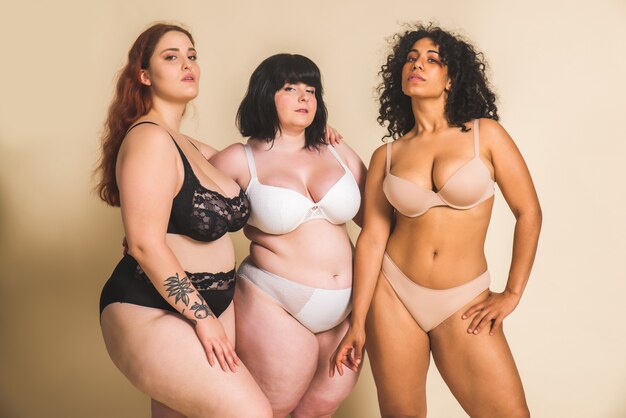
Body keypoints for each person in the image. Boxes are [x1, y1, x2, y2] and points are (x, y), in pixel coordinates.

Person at [330, 24, 541, 417]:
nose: (418, 65)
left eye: (432, 60)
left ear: (451, 78)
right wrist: (357, 322)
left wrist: (512, 293)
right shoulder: (387, 156)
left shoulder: (486, 136)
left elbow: (529, 212)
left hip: (464, 297)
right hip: (393, 294)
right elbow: (373, 239)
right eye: (411, 59)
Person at [96, 23, 272, 418]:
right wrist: (202, 317)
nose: (187, 64)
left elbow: (264, 160)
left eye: (191, 55)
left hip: (214, 302)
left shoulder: (190, 145)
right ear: (144, 75)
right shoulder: (148, 139)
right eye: (171, 57)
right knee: (252, 413)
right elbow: (143, 243)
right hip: (151, 307)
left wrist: (314, 131)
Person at [211, 53, 367, 417]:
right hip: (274, 300)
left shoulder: (336, 149)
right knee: (272, 409)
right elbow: (192, 211)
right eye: (291, 88)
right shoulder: (239, 158)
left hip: (346, 309)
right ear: (266, 95)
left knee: (320, 409)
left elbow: (376, 219)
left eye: (311, 90)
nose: (304, 98)